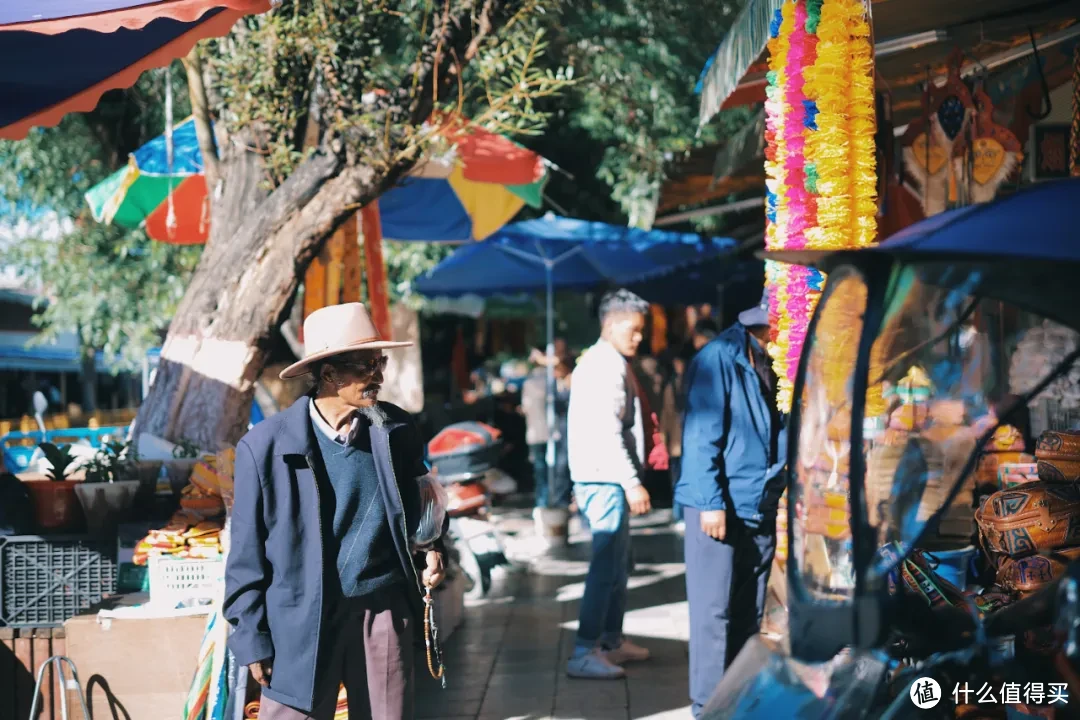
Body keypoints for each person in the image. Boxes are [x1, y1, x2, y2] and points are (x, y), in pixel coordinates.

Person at [224, 302, 447, 720]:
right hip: (300, 617)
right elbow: (245, 557)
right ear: (328, 374)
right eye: (366, 366)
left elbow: (423, 505)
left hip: (382, 610)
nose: (378, 375)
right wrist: (252, 638)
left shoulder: (394, 430)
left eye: (380, 363)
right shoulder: (265, 447)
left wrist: (434, 547)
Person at [675, 293, 786, 718]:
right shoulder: (719, 357)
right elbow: (703, 434)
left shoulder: (774, 359)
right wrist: (709, 502)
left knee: (748, 609)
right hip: (718, 502)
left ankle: (738, 697)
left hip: (760, 500)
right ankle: (707, 706)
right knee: (712, 612)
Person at [565, 289, 666, 679]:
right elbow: (607, 430)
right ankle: (583, 651)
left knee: (618, 566)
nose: (639, 337)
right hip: (604, 477)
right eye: (633, 329)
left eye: (642, 330)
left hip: (604, 477)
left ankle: (610, 640)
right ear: (610, 324)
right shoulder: (604, 365)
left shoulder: (607, 361)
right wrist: (630, 481)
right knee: (606, 567)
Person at [522, 355, 573, 516]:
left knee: (541, 471)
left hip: (536, 434)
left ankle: (543, 503)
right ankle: (554, 501)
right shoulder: (551, 383)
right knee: (555, 470)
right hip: (552, 433)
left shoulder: (529, 383)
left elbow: (525, 407)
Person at [660, 345, 693, 528]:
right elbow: (666, 414)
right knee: (678, 478)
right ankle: (679, 514)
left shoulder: (691, 383)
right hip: (676, 441)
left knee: (682, 477)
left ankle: (683, 514)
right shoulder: (672, 385)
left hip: (683, 440)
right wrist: (663, 438)